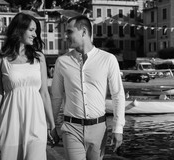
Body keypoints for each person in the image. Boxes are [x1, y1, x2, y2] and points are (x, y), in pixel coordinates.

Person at [0, 12, 57, 160]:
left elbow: (44, 93)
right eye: (31, 30)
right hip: (11, 122)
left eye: (35, 30)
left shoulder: (39, 58)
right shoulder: (1, 60)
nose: (35, 34)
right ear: (19, 30)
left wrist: (53, 126)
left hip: (37, 123)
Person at [51, 15, 125, 160]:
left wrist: (118, 128)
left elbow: (118, 95)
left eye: (70, 32)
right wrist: (52, 125)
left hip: (99, 129)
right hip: (71, 128)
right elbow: (56, 96)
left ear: (83, 32)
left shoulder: (108, 59)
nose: (66, 36)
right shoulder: (62, 61)